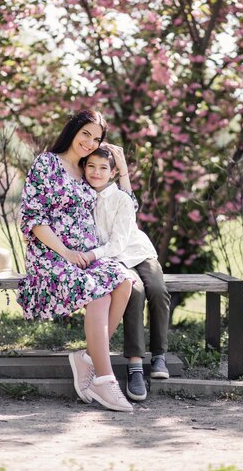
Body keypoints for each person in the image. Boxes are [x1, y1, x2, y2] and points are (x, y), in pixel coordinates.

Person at [17, 109, 134, 412]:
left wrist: (122, 170)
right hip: (52, 255)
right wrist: (66, 253)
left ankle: (86, 359)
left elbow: (125, 207)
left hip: (86, 256)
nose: (90, 142)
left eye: (96, 138)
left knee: (123, 282)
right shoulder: (47, 164)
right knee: (96, 292)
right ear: (73, 130)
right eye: (86, 134)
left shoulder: (87, 169)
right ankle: (105, 380)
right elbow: (32, 218)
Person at [82, 144, 171, 402]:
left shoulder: (121, 198)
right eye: (91, 166)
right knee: (135, 291)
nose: (96, 172)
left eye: (102, 168)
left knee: (156, 289)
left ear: (111, 173)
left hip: (136, 251)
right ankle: (134, 365)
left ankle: (159, 356)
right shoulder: (82, 197)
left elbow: (120, 243)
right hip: (114, 260)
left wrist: (123, 170)